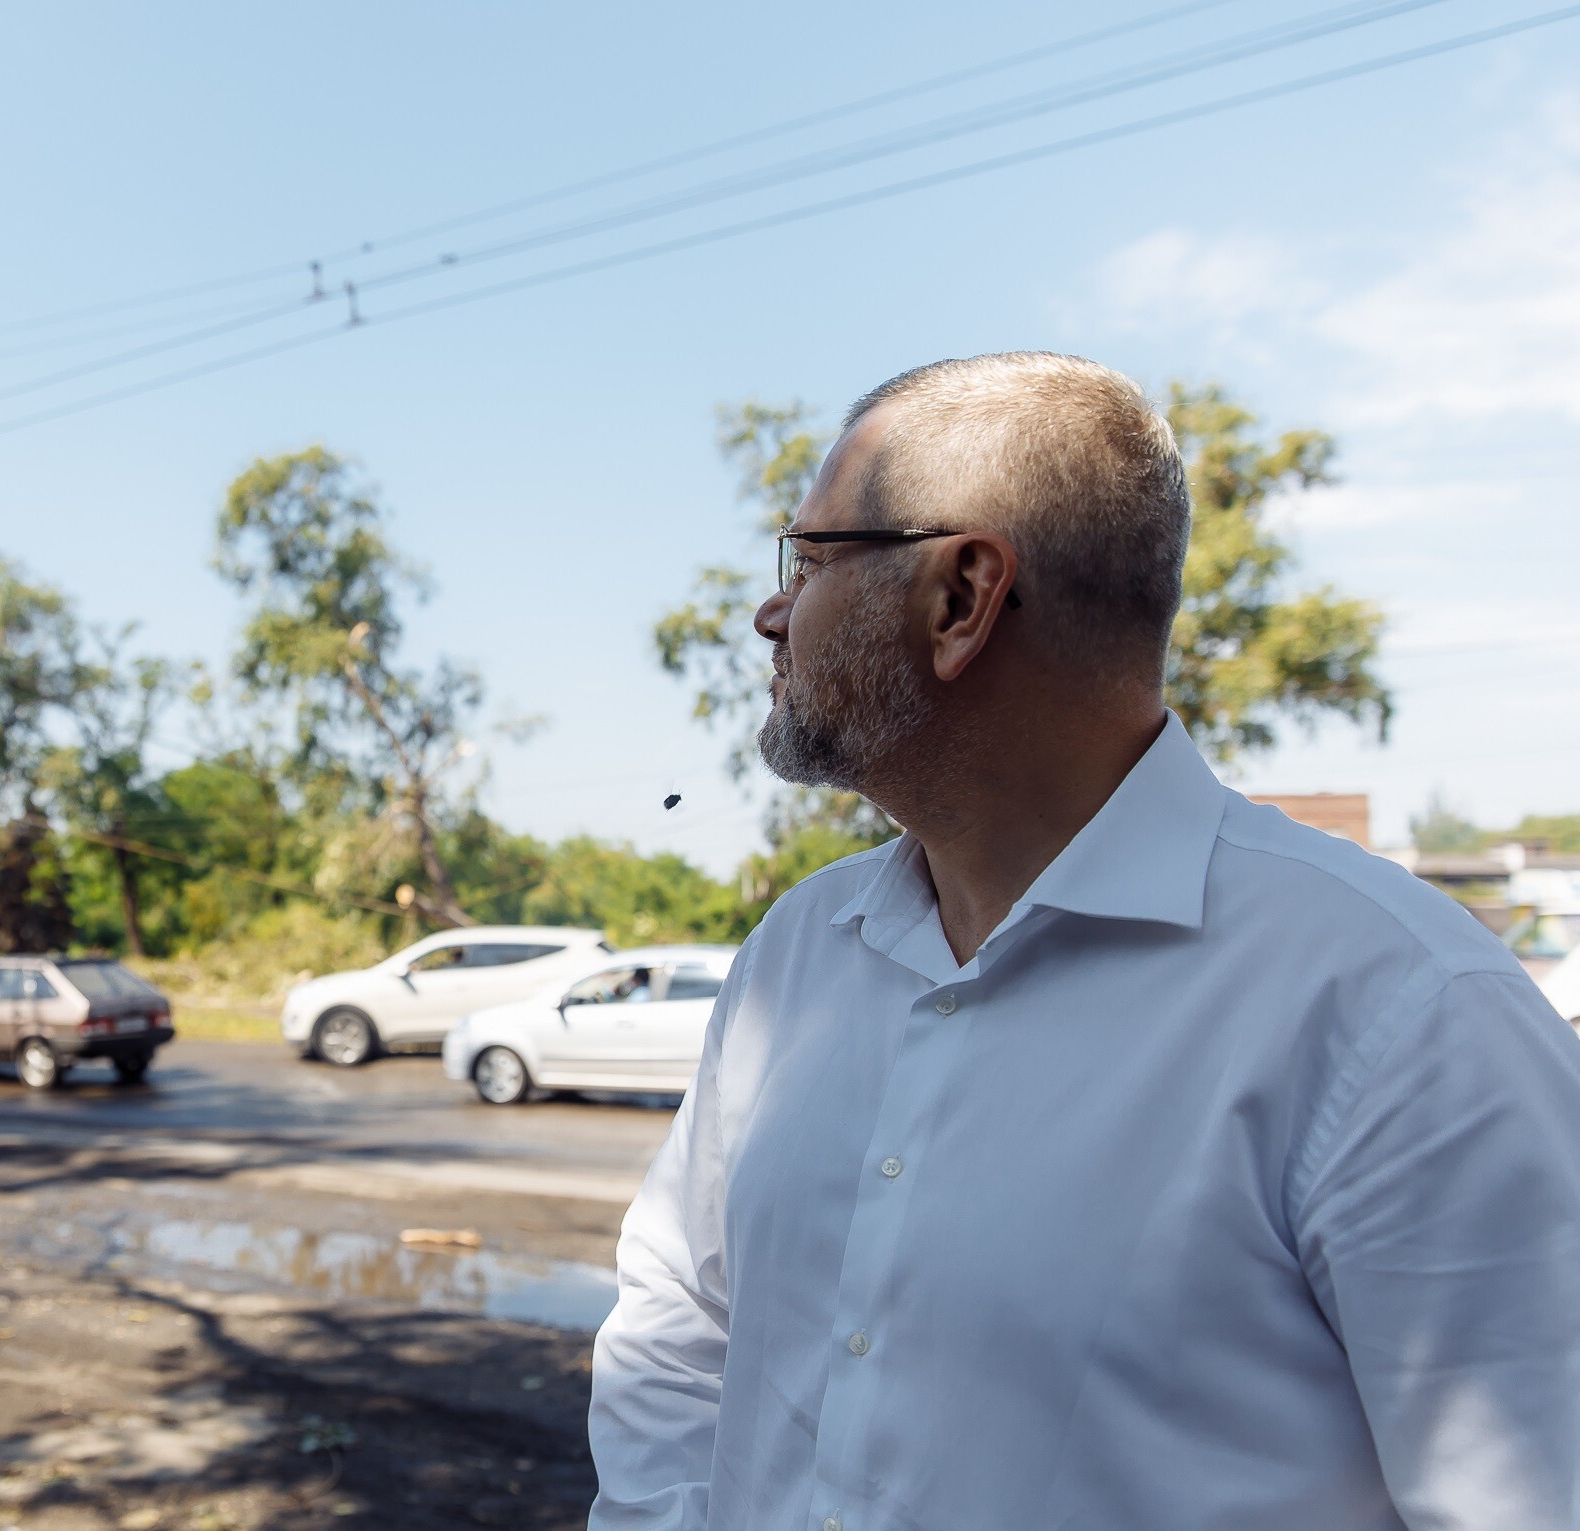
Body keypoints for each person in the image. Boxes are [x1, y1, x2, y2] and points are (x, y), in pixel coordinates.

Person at [588, 352, 1580, 1529]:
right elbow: (677, 1317)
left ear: (959, 599)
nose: (769, 612)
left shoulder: (1402, 1015)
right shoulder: (801, 949)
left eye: (808, 562)